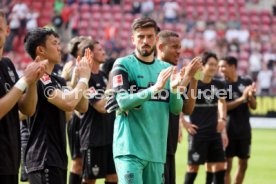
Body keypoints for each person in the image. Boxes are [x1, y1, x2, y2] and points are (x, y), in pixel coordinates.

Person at [111, 17, 184, 184]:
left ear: (156, 39)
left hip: (156, 153)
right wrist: (154, 89)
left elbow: (176, 109)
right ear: (133, 39)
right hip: (129, 150)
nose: (145, 41)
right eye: (140, 36)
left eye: (150, 36)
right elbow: (122, 101)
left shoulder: (166, 69)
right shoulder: (123, 65)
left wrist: (174, 90)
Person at [23, 27, 91, 184]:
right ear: (41, 50)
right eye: (55, 43)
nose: (60, 48)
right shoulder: (40, 77)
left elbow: (82, 106)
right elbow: (68, 103)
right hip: (44, 157)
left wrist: (82, 77)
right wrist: (84, 80)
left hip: (56, 158)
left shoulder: (57, 80)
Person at [0, 10, 46, 184]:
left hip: (10, 159)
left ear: (7, 31)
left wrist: (32, 82)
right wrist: (24, 80)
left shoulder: (7, 65)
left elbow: (27, 109)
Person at [156, 30, 202, 184]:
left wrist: (194, 79)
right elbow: (167, 100)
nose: (179, 51)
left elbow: (187, 109)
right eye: (174, 47)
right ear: (161, 47)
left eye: (180, 47)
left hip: (169, 146)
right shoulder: (154, 71)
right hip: (154, 148)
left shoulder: (173, 72)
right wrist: (188, 76)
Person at [183, 52, 227, 184]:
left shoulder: (219, 84)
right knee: (192, 167)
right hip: (197, 133)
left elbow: (222, 102)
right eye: (210, 64)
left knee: (219, 166)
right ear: (202, 66)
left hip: (214, 133)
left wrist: (222, 119)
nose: (214, 67)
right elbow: (177, 102)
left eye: (215, 65)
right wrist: (183, 121)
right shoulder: (193, 83)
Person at [78, 39, 118, 184]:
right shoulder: (86, 79)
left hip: (110, 136)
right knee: (90, 180)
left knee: (114, 177)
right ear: (90, 53)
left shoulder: (102, 75)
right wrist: (111, 84)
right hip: (93, 138)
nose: (104, 52)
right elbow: (101, 106)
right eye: (100, 50)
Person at [219, 56, 257, 184]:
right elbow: (225, 106)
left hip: (244, 130)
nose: (221, 69)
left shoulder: (246, 81)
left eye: (223, 66)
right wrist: (242, 98)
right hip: (228, 130)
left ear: (233, 66)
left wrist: (250, 96)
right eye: (219, 67)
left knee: (243, 165)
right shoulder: (223, 85)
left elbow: (254, 106)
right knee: (227, 166)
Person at [62, 36, 92, 184]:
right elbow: (64, 90)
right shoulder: (70, 67)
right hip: (76, 119)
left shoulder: (90, 66)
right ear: (77, 51)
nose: (89, 49)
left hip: (88, 119)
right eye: (84, 47)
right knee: (78, 161)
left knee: (88, 163)